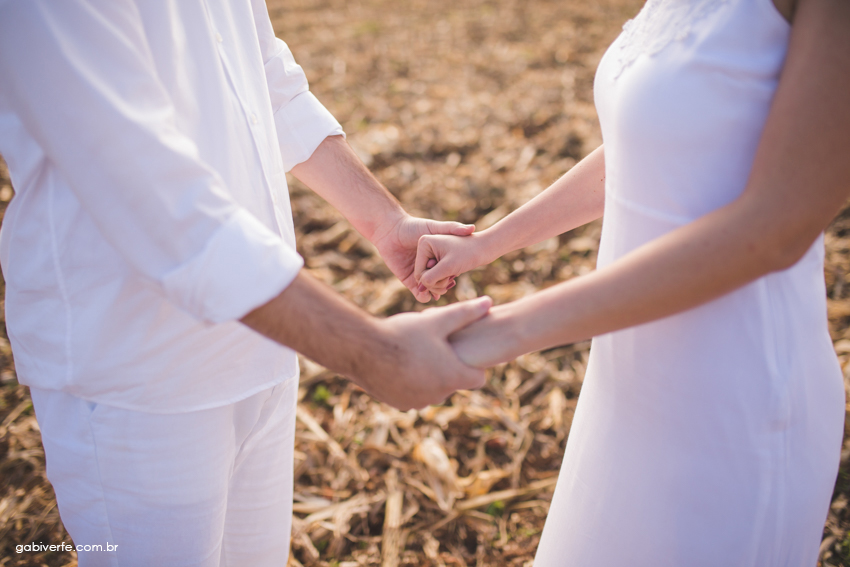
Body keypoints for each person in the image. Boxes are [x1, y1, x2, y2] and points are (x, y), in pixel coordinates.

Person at [0, 0, 491, 565]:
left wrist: (383, 219)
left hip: (264, 336)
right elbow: (145, 186)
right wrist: (373, 354)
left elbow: (262, 74)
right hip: (135, 369)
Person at [415, 0, 850, 563]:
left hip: (735, 398)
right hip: (629, 376)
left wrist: (497, 335)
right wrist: (487, 244)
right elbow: (648, 138)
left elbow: (777, 228)